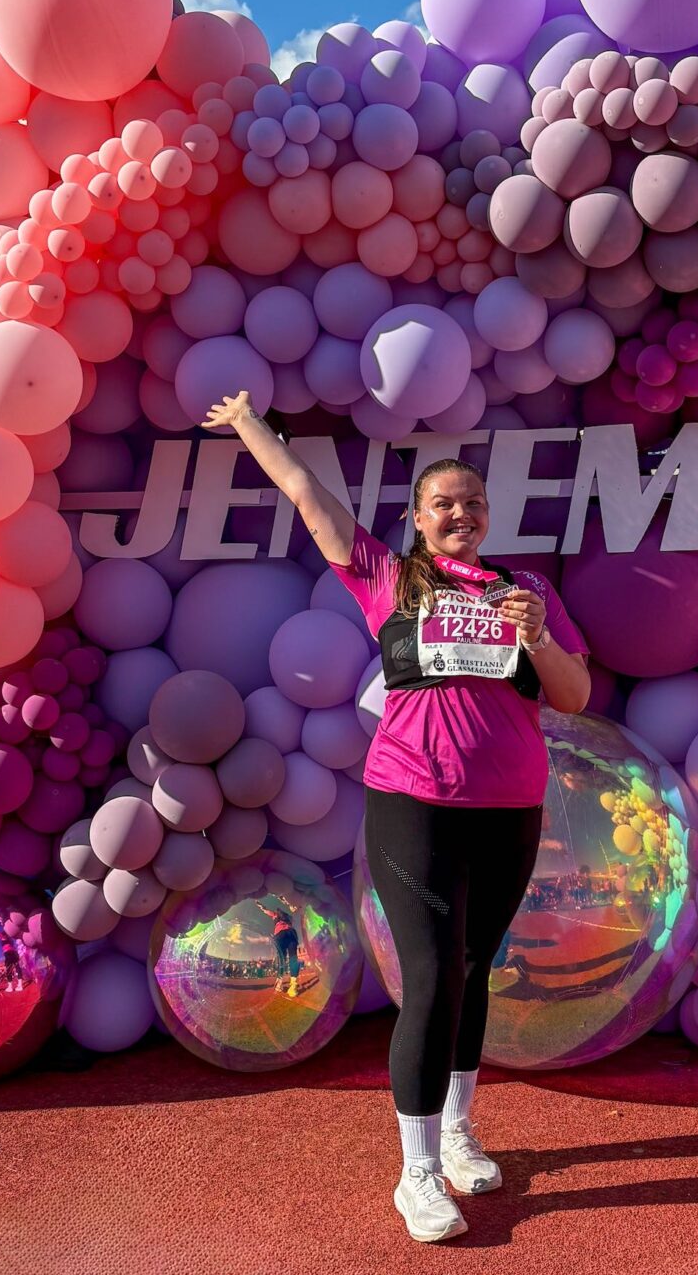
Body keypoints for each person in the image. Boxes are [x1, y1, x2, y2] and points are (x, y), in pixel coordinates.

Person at [203, 391, 591, 1244]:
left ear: (488, 514)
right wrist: (248, 424)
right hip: (414, 802)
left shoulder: (527, 591)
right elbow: (306, 494)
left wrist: (540, 639)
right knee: (432, 970)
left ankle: (456, 1131)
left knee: (475, 968)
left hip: (510, 808)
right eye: (444, 503)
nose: (461, 514)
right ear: (418, 518)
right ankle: (415, 1172)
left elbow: (572, 696)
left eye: (473, 503)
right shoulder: (391, 577)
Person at [257, 896, 301, 997]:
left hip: (280, 934)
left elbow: (265, 910)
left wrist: (260, 905)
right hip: (291, 933)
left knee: (282, 959)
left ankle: (280, 983)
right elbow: (297, 909)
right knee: (293, 957)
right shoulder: (289, 917)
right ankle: (293, 985)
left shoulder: (275, 915)